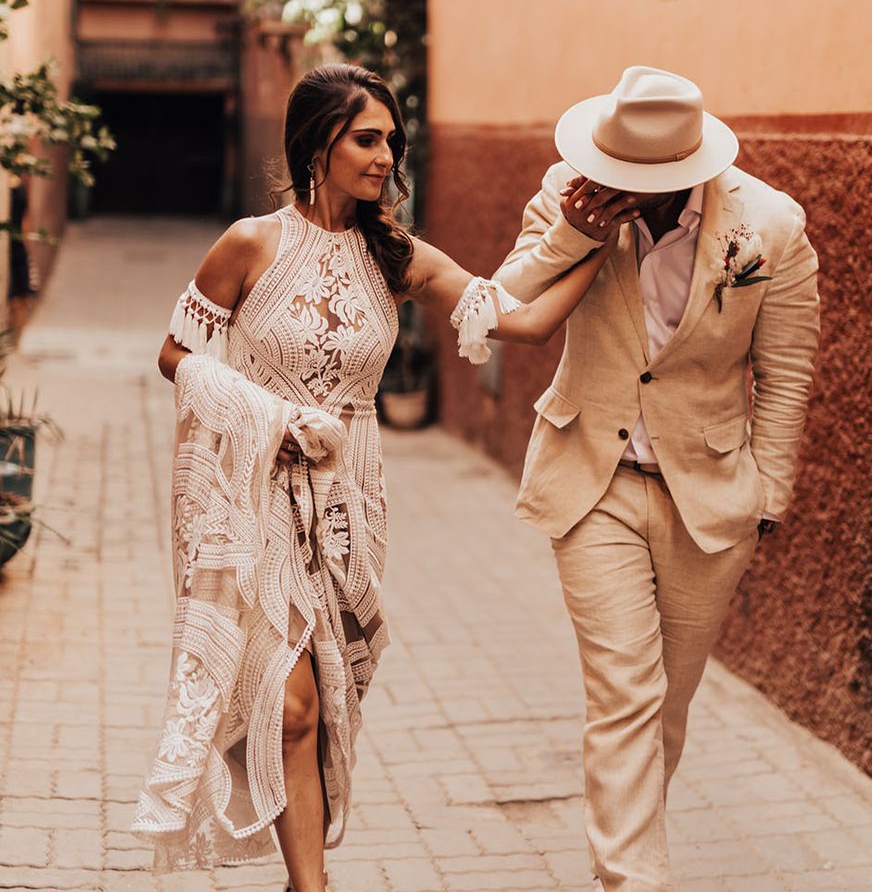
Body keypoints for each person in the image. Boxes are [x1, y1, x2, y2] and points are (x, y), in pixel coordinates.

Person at [130, 64, 639, 891]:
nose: (385, 156)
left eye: (392, 141)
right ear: (316, 143)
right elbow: (174, 354)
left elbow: (529, 322)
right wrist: (267, 416)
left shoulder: (395, 255)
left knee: (329, 699)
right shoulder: (250, 243)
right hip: (253, 491)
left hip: (348, 506)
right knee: (289, 703)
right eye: (367, 138)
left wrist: (595, 239)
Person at [493, 66, 821, 891]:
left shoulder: (771, 226)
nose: (628, 192)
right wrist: (575, 236)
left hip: (708, 497)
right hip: (592, 481)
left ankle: (629, 852)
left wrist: (767, 495)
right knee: (624, 698)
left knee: (664, 711)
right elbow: (500, 307)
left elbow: (786, 372)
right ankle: (632, 881)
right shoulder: (566, 197)